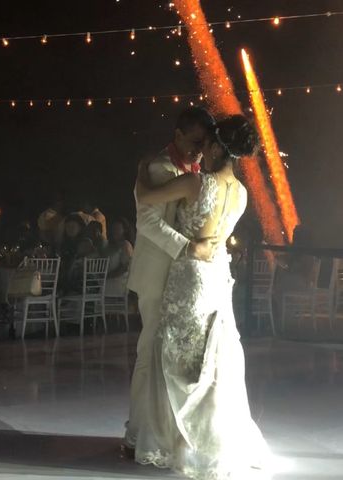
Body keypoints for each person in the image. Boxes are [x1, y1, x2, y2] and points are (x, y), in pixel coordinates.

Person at [132, 114, 272, 478]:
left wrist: (140, 171)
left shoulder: (196, 183)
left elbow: (146, 198)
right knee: (209, 362)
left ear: (213, 147)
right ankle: (205, 441)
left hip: (189, 277)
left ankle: (176, 440)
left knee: (173, 359)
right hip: (216, 279)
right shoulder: (241, 194)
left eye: (204, 143)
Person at [123, 107, 219, 454]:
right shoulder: (159, 167)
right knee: (149, 353)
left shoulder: (192, 170)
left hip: (180, 277)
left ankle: (161, 432)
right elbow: (147, 222)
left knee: (169, 358)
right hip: (156, 273)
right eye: (194, 142)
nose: (198, 151)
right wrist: (187, 248)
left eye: (203, 144)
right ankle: (137, 431)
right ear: (177, 134)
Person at [104, 218, 134, 297]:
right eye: (113, 229)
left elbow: (125, 267)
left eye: (117, 229)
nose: (114, 231)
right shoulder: (109, 245)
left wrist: (107, 276)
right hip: (107, 281)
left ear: (124, 230)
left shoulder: (126, 245)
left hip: (118, 282)